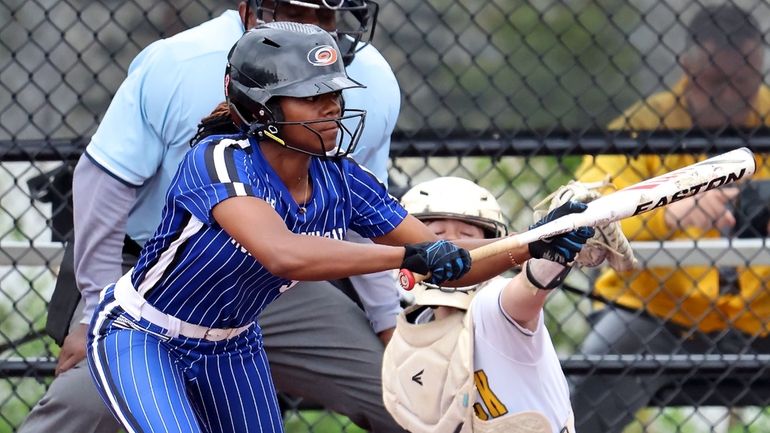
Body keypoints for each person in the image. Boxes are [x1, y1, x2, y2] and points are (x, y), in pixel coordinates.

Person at [85, 24, 596, 433]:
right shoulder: (218, 160)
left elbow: (452, 263)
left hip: (232, 345)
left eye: (333, 92)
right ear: (261, 106)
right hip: (145, 336)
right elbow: (283, 254)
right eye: (310, 96)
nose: (331, 107)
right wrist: (407, 258)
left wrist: (535, 249)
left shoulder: (343, 179)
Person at [18, 1, 405, 433]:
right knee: (85, 403)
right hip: (159, 277)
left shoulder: (368, 78)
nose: (311, 28)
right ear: (250, 7)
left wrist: (389, 321)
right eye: (295, 10)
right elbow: (103, 186)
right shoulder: (182, 62)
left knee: (404, 396)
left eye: (326, 16)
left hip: (279, 286)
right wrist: (94, 308)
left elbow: (362, 220)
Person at [570, 4, 770, 432]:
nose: (732, 95)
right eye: (717, 82)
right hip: (659, 311)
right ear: (688, 71)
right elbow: (585, 215)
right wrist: (668, 213)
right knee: (592, 376)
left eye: (745, 81)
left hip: (763, 308)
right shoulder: (642, 126)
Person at [381, 177, 633, 433]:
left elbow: (526, 291)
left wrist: (552, 252)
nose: (451, 248)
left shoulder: (490, 306)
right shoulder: (411, 329)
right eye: (436, 236)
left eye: (467, 236)